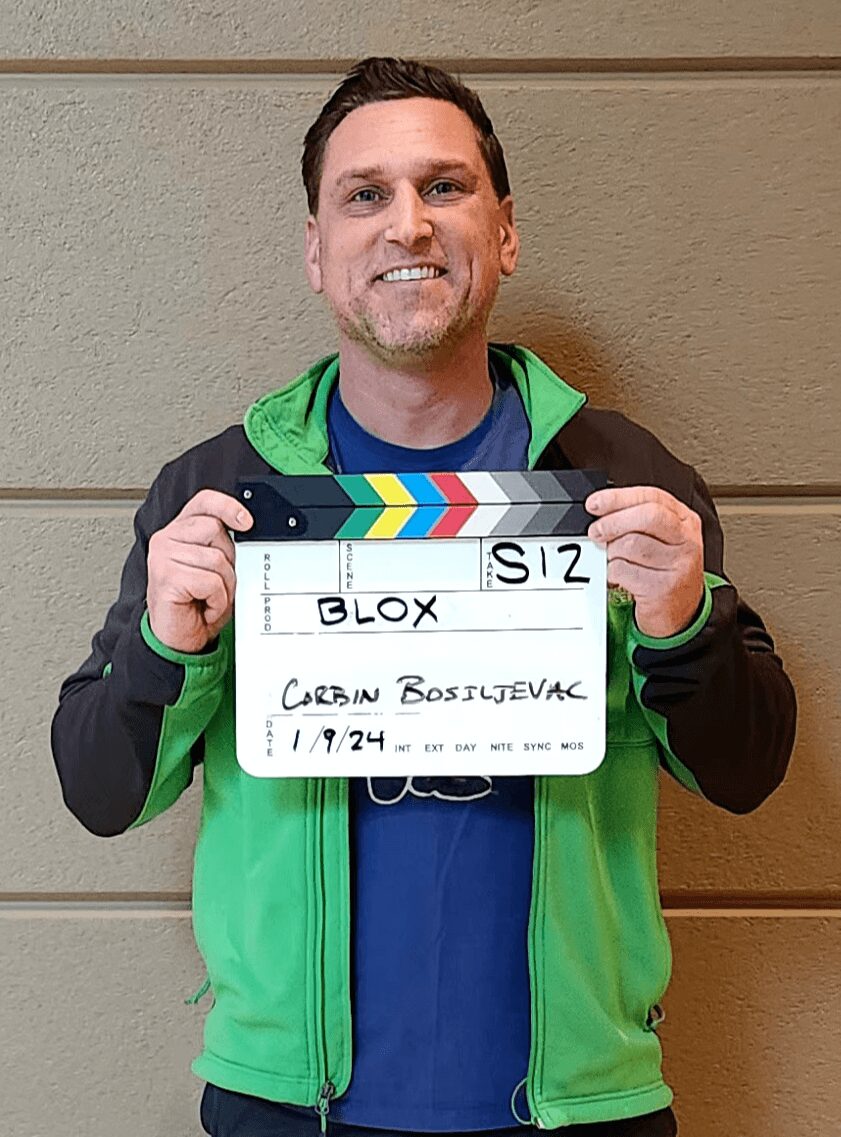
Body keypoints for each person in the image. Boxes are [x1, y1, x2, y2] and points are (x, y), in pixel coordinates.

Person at [51, 57, 797, 1137]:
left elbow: (746, 771)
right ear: (316, 250)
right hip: (289, 1104)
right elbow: (98, 790)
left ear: (505, 232)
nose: (407, 224)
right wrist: (170, 646)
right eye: (365, 195)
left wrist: (686, 625)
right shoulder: (218, 491)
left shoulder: (625, 478)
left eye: (444, 187)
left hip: (578, 1105)